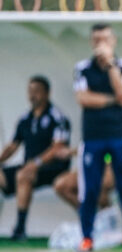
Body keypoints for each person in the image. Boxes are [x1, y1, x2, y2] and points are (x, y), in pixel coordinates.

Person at [74, 23, 122, 252]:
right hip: (92, 137)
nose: (100, 44)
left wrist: (111, 65)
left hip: (119, 135)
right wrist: (114, 100)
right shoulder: (83, 68)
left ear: (113, 41)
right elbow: (83, 98)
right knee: (90, 189)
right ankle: (87, 239)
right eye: (96, 40)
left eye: (105, 39)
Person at [0, 76, 72, 239]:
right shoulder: (25, 118)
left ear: (47, 93)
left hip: (52, 169)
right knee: (15, 173)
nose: (33, 95)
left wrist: (37, 162)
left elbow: (57, 147)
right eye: (30, 91)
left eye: (37, 92)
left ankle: (19, 228)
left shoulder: (57, 117)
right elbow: (13, 145)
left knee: (24, 174)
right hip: (29, 166)